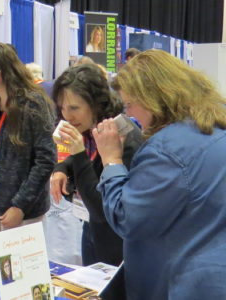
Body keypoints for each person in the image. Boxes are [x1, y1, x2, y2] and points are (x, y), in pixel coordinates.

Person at [93, 49, 226, 299]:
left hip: (184, 283)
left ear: (154, 98)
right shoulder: (216, 127)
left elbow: (128, 218)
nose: (130, 114)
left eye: (130, 104)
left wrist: (111, 160)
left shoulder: (168, 149)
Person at [51, 64, 143, 266]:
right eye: (62, 108)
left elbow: (101, 208)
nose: (67, 116)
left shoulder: (123, 139)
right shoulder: (92, 129)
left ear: (95, 105)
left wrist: (77, 153)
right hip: (92, 232)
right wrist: (62, 168)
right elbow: (92, 161)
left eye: (74, 108)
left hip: (117, 247)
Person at [0, 42, 56, 245]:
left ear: (2, 71)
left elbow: (45, 160)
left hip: (21, 208)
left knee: (20, 273)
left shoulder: (33, 104)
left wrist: (20, 206)